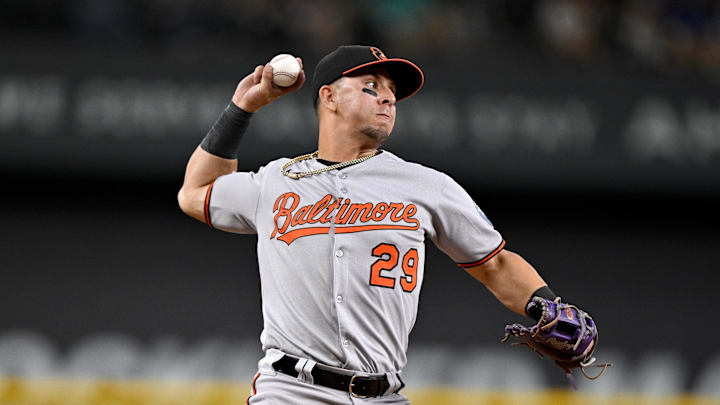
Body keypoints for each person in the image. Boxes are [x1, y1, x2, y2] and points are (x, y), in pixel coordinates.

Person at [177, 45, 559, 404]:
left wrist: (548, 306)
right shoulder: (277, 180)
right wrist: (243, 107)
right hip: (291, 390)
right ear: (329, 98)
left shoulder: (426, 185)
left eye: (392, 90)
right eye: (371, 86)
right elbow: (195, 192)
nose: (388, 98)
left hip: (383, 393)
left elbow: (495, 263)